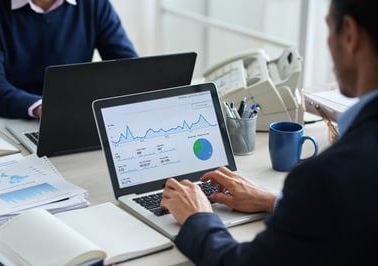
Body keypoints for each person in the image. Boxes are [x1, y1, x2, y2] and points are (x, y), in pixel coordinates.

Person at [160, 0, 378, 265]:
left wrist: (198, 218)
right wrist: (274, 201)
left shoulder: (325, 178)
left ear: (350, 33)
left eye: (329, 28)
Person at [0, 0, 137, 118]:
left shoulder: (94, 4)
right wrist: (43, 108)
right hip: (2, 118)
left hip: (72, 116)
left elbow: (128, 69)